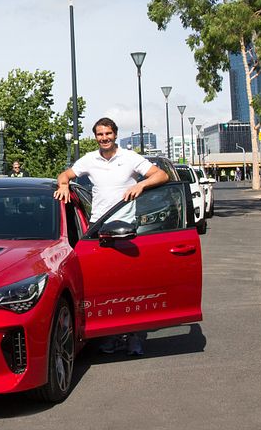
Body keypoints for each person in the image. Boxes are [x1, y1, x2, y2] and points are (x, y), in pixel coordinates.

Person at [53, 117, 169, 356]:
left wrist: (141, 185)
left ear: (115, 135)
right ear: (95, 137)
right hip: (98, 229)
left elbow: (162, 176)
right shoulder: (89, 160)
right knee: (105, 284)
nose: (104, 138)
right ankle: (111, 335)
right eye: (99, 134)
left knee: (130, 284)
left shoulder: (130, 158)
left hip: (126, 228)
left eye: (108, 134)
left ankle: (134, 335)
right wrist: (63, 184)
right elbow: (64, 175)